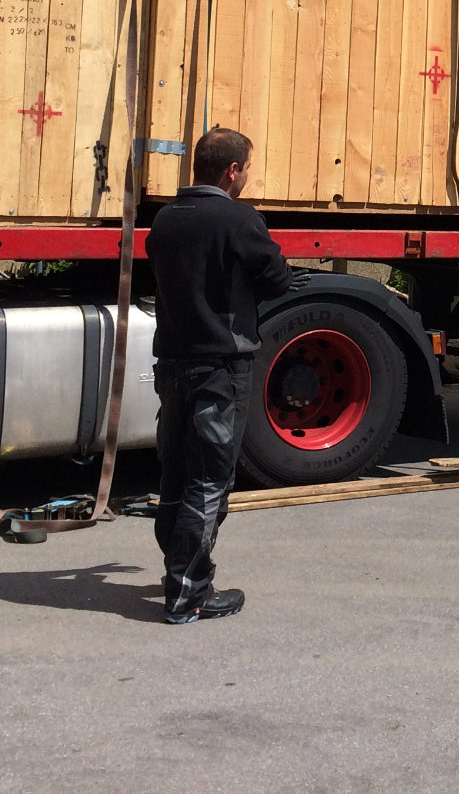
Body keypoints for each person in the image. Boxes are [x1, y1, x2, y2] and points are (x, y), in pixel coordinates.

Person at [145, 126, 299, 624]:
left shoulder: (166, 219)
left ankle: (179, 571)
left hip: (173, 363)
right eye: (247, 168)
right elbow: (277, 278)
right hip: (220, 368)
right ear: (232, 171)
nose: (247, 177)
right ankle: (187, 594)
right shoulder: (238, 218)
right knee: (210, 479)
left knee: (176, 473)